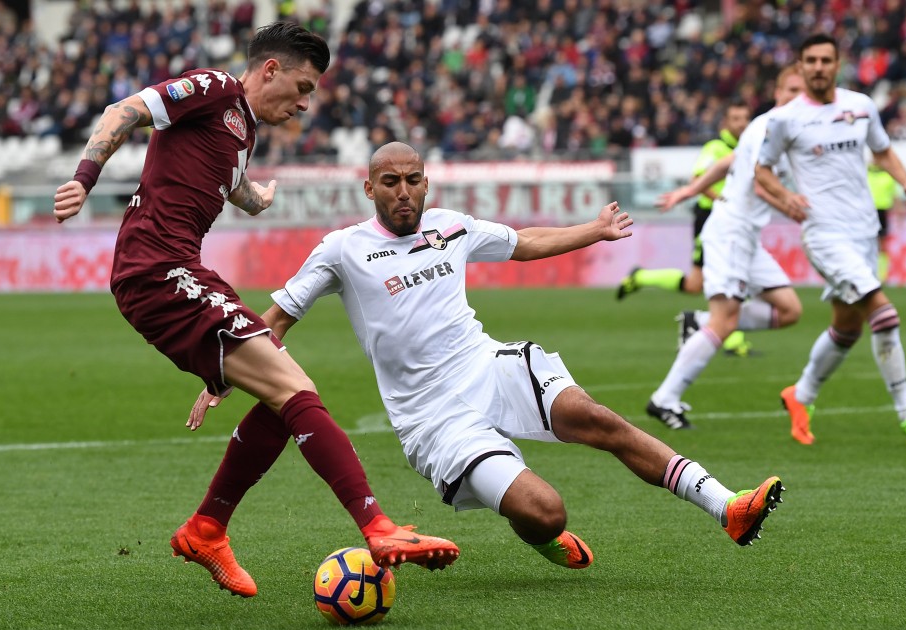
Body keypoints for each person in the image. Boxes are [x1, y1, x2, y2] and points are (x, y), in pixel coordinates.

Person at [188, 142, 785, 568]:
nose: (404, 192)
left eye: (413, 179)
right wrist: (222, 377)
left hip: (489, 365)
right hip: (432, 417)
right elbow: (276, 322)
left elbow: (523, 243)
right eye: (390, 183)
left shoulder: (450, 225)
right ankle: (540, 535)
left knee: (598, 419)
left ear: (427, 182)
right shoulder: (341, 250)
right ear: (369, 189)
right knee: (546, 512)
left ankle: (726, 505)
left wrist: (594, 229)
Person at [52, 23, 460, 599]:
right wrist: (84, 178)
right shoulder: (215, 87)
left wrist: (253, 197)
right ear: (269, 69)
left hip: (178, 272)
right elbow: (124, 111)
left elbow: (229, 182)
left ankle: (207, 529)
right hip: (157, 271)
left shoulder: (242, 130)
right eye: (301, 87)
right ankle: (377, 527)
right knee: (296, 392)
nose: (302, 103)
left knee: (282, 399)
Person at [755, 34, 906, 448]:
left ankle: (800, 395)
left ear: (837, 64)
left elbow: (882, 151)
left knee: (847, 327)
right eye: (811, 60)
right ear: (800, 66)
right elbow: (762, 171)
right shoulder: (786, 119)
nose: (819, 66)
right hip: (824, 235)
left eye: (826, 59)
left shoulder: (860, 106)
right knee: (884, 314)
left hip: (863, 233)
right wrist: (787, 198)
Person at [645, 66, 807, 430]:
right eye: (792, 88)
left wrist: (689, 190)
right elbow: (762, 184)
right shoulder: (768, 126)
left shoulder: (776, 128)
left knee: (789, 310)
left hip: (747, 236)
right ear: (778, 90)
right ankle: (664, 399)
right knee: (727, 319)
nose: (799, 95)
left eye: (804, 90)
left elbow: (729, 162)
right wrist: (795, 208)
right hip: (731, 231)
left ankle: (698, 322)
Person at [617, 100, 753, 356]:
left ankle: (641, 278)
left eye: (745, 118)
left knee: (701, 283)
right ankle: (733, 340)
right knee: (717, 279)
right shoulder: (717, 147)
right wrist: (722, 200)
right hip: (711, 219)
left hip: (734, 221)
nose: (741, 123)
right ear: (726, 122)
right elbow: (697, 179)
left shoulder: (746, 148)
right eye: (736, 118)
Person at [867, 156, 899, 282]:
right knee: (867, 243)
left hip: (882, 211)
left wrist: (899, 212)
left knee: (882, 244)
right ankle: (869, 273)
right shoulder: (865, 174)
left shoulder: (888, 176)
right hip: (867, 211)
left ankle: (882, 274)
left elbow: (894, 196)